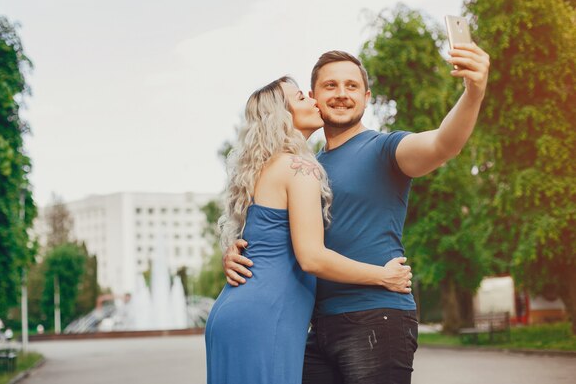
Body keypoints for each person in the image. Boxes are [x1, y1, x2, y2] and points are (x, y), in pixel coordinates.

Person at [223, 44, 490, 384]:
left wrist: (473, 92)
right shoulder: (303, 167)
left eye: (351, 87)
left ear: (366, 97)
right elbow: (277, 235)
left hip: (376, 316)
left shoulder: (385, 149)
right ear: (313, 96)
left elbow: (443, 144)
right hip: (316, 327)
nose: (341, 94)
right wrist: (237, 254)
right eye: (330, 86)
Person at [205, 76, 414, 384]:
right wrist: (384, 276)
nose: (314, 101)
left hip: (232, 310)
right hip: (267, 315)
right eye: (302, 98)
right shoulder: (301, 168)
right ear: (283, 115)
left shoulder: (262, 169)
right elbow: (312, 258)